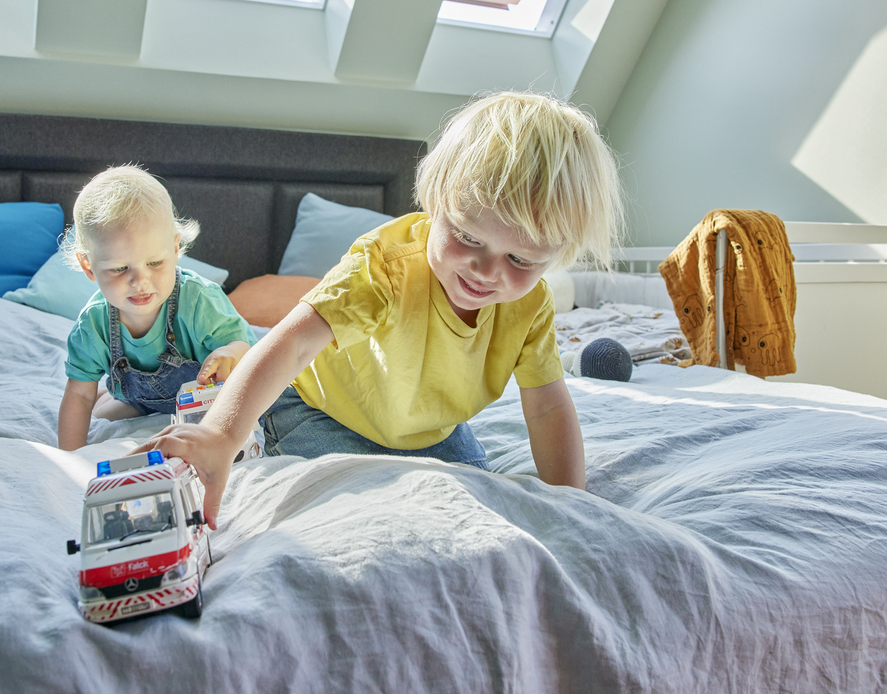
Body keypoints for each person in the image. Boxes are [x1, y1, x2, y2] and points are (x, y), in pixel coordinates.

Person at [134, 91, 623, 527]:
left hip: (426, 428)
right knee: (366, 507)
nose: (485, 271)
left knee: (473, 505)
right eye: (467, 236)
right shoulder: (385, 268)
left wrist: (571, 504)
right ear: (435, 201)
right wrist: (220, 433)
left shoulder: (530, 305)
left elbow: (547, 405)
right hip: (319, 406)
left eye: (521, 259)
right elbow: (293, 339)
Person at [56, 165, 255, 451]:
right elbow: (78, 396)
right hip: (141, 401)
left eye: (154, 263)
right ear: (89, 265)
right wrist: (69, 456)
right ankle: (110, 395)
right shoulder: (93, 325)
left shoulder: (198, 301)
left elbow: (248, 353)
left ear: (175, 249)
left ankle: (112, 396)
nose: (140, 281)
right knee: (100, 415)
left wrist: (228, 352)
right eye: (120, 268)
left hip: (207, 397)